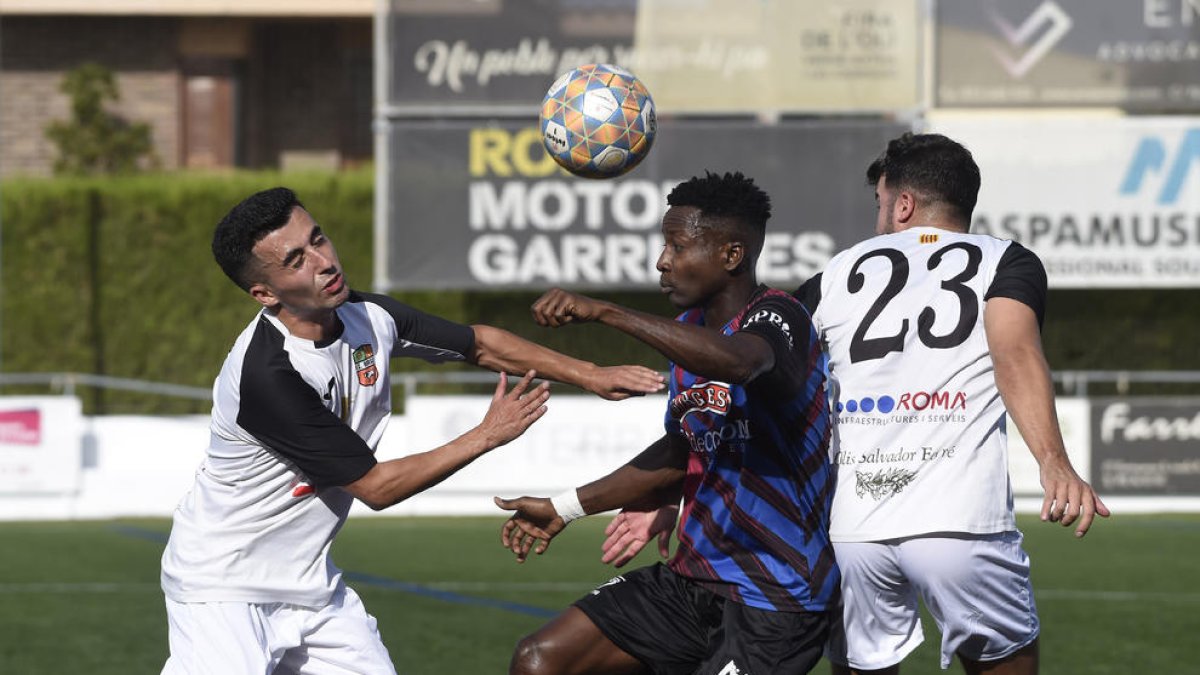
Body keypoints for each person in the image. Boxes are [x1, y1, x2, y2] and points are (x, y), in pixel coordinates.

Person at [599, 134, 1110, 674]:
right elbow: (1015, 354)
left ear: (904, 204)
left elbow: (749, 391)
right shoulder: (1007, 261)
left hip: (854, 530)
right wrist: (1054, 463)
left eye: (880, 203)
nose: (879, 216)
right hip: (960, 520)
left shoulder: (834, 276)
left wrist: (674, 490)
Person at [159, 186, 664, 674]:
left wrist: (592, 374)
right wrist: (486, 434)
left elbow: (479, 344)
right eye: (296, 260)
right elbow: (376, 487)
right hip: (222, 591)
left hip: (310, 589)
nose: (324, 261)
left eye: (317, 239)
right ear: (263, 293)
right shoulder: (269, 375)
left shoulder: (367, 316)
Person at [494, 171, 838, 675]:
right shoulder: (687, 334)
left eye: (677, 246)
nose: (662, 261)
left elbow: (740, 362)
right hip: (693, 580)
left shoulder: (779, 318)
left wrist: (607, 312)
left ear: (731, 255)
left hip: (776, 598)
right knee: (540, 660)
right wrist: (564, 508)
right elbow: (680, 452)